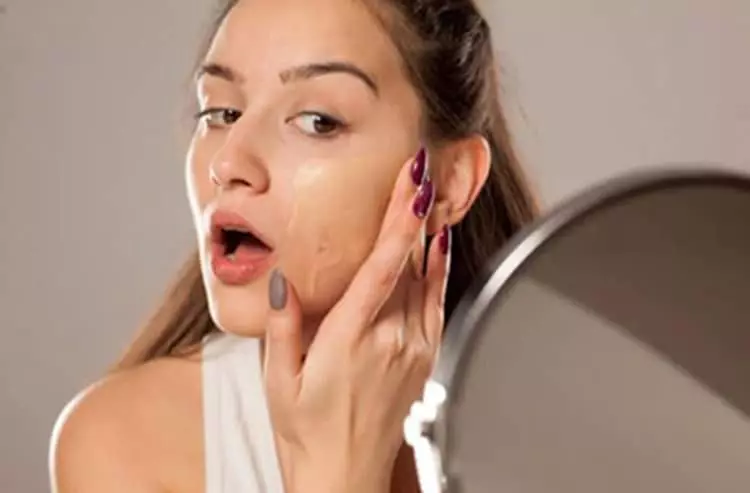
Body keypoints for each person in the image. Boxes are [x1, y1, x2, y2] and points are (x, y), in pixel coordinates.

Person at [49, 0, 538, 491]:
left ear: (449, 183)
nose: (229, 162)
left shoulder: (568, 422)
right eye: (222, 112)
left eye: (317, 121)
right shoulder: (127, 445)